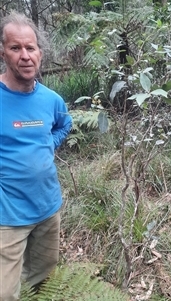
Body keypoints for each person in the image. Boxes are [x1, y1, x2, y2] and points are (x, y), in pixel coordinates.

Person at [0, 11, 72, 300]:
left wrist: (49, 145)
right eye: (15, 48)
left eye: (30, 48)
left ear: (40, 53)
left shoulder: (51, 100)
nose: (25, 56)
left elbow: (64, 123)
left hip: (48, 208)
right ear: (3, 52)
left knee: (42, 278)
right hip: (8, 216)